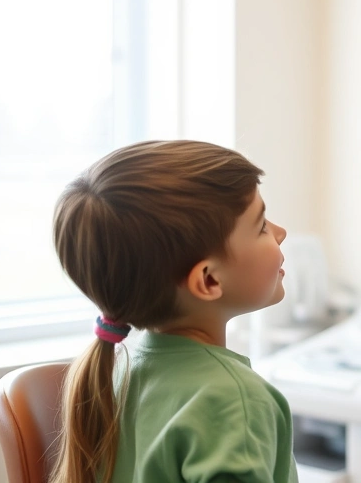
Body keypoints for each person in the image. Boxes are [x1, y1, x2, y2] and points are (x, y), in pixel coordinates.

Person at [49, 140, 298, 483]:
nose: (281, 232)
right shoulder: (232, 401)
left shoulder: (115, 376)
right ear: (208, 280)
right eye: (261, 227)